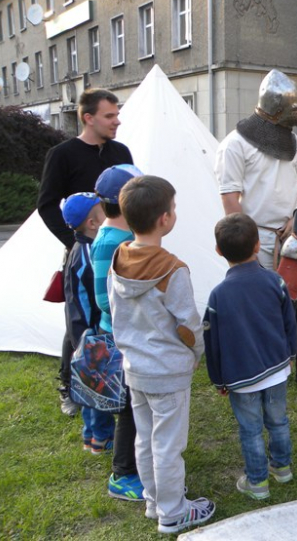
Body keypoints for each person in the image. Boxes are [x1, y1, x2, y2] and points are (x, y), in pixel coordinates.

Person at [109, 175, 215, 534]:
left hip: (134, 369)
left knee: (145, 437)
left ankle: (155, 501)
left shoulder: (117, 258)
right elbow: (188, 326)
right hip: (168, 373)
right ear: (165, 219)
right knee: (168, 445)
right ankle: (172, 512)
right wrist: (197, 354)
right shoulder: (173, 269)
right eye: (173, 208)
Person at [214, 69, 297, 391]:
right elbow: (230, 199)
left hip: (293, 234)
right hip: (258, 238)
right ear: (276, 109)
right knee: (264, 306)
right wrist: (247, 243)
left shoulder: (291, 140)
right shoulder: (234, 146)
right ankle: (266, 369)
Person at [37, 88, 133, 416]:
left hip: (120, 252)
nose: (116, 121)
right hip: (82, 254)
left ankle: (119, 377)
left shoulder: (121, 151)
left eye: (117, 114)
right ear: (88, 118)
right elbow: (47, 204)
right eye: (110, 115)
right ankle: (70, 384)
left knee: (116, 315)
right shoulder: (62, 154)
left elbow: (133, 199)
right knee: (79, 321)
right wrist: (75, 242)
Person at [203, 213, 297, 501]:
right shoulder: (275, 282)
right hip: (277, 368)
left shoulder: (217, 296)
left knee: (251, 429)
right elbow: (289, 323)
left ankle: (258, 482)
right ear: (258, 246)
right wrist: (291, 353)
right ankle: (282, 469)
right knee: (278, 421)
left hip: (241, 377)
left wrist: (218, 379)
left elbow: (212, 343)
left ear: (218, 251)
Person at [91, 164, 145, 502]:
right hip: (120, 337)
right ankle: (123, 474)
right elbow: (102, 298)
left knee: (135, 406)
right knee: (128, 407)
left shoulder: (117, 236)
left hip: (128, 335)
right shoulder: (115, 241)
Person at [61, 192, 116, 454]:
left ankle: (90, 435)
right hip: (89, 330)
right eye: (104, 211)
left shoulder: (78, 249)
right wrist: (91, 334)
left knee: (90, 383)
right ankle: (101, 439)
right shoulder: (88, 253)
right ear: (93, 224)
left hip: (82, 329)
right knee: (97, 386)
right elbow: (94, 297)